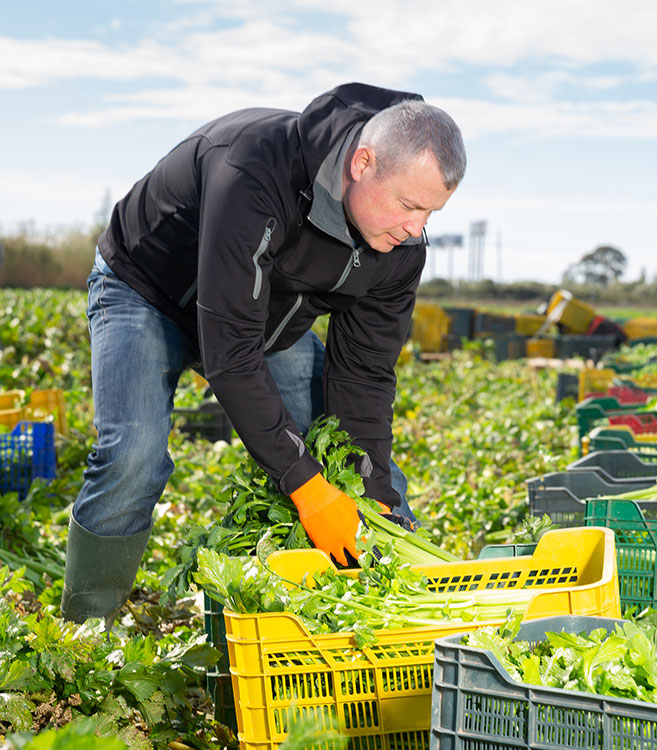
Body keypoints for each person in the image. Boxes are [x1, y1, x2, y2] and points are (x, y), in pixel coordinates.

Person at [61, 82, 466, 625]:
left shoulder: (401, 248)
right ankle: (85, 627)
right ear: (362, 163)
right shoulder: (254, 167)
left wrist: (370, 495)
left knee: (360, 468)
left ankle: (380, 613)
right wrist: (307, 488)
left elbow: (365, 374)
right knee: (133, 455)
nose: (417, 229)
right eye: (409, 205)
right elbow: (230, 351)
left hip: (266, 316)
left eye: (431, 213)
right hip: (147, 290)